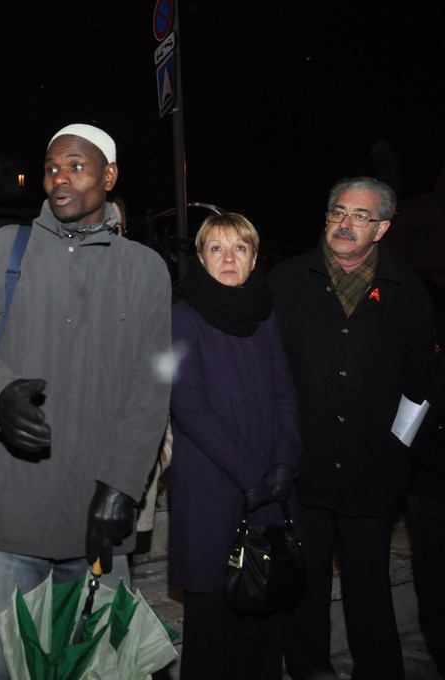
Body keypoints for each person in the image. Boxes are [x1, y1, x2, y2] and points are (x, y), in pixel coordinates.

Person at [0, 123, 172, 679]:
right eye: (51, 168)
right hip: (5, 514)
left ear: (109, 176)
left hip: (96, 514)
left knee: (100, 670)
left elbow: (152, 387)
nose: (59, 178)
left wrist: (122, 486)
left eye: (76, 166)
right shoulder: (5, 250)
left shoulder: (145, 270)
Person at [270, 176, 436, 680]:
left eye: (359, 216)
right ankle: (310, 671)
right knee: (306, 589)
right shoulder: (285, 282)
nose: (344, 224)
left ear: (382, 227)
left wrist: (396, 449)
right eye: (337, 212)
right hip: (303, 470)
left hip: (373, 474)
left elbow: (420, 385)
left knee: (369, 589)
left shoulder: (408, 292)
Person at [167, 212, 301, 679]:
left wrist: (286, 461)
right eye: (217, 248)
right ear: (201, 259)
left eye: (240, 248)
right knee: (212, 633)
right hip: (212, 489)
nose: (229, 257)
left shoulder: (265, 315)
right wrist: (256, 475)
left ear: (254, 258)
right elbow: (190, 407)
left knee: (264, 626)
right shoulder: (181, 318)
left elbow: (286, 392)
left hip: (268, 491)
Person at [407, 332, 445, 675]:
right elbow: (410, 431)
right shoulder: (434, 364)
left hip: (429, 486)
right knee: (434, 578)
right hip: (431, 490)